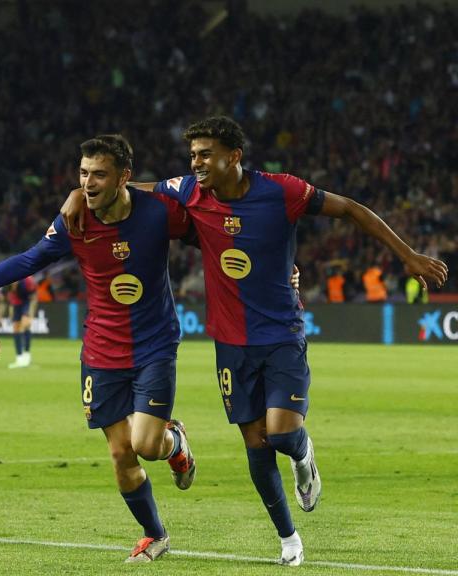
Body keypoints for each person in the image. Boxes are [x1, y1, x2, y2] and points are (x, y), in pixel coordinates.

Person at [60, 116, 448, 566]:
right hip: (230, 344)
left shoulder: (283, 191)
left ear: (234, 157)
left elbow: (351, 209)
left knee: (282, 434)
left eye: (205, 155)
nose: (197, 164)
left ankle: (304, 457)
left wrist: (409, 256)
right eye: (193, 156)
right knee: (256, 443)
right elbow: (133, 187)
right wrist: (76, 194)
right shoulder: (190, 191)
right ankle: (289, 539)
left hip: (281, 334)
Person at [0, 135, 196, 563]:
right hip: (102, 351)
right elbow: (28, 260)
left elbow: (212, 231)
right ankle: (154, 534)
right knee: (120, 452)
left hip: (155, 344)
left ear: (124, 177)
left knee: (146, 444)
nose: (87, 182)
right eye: (82, 174)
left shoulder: (158, 212)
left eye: (99, 174)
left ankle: (175, 445)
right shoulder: (75, 221)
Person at [0, 276, 37, 368]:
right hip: (16, 304)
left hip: (27, 302)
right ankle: (19, 358)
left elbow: (34, 299)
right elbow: (3, 302)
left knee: (24, 325)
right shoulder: (5, 283)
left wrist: (31, 316)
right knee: (16, 328)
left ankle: (27, 355)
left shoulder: (28, 281)